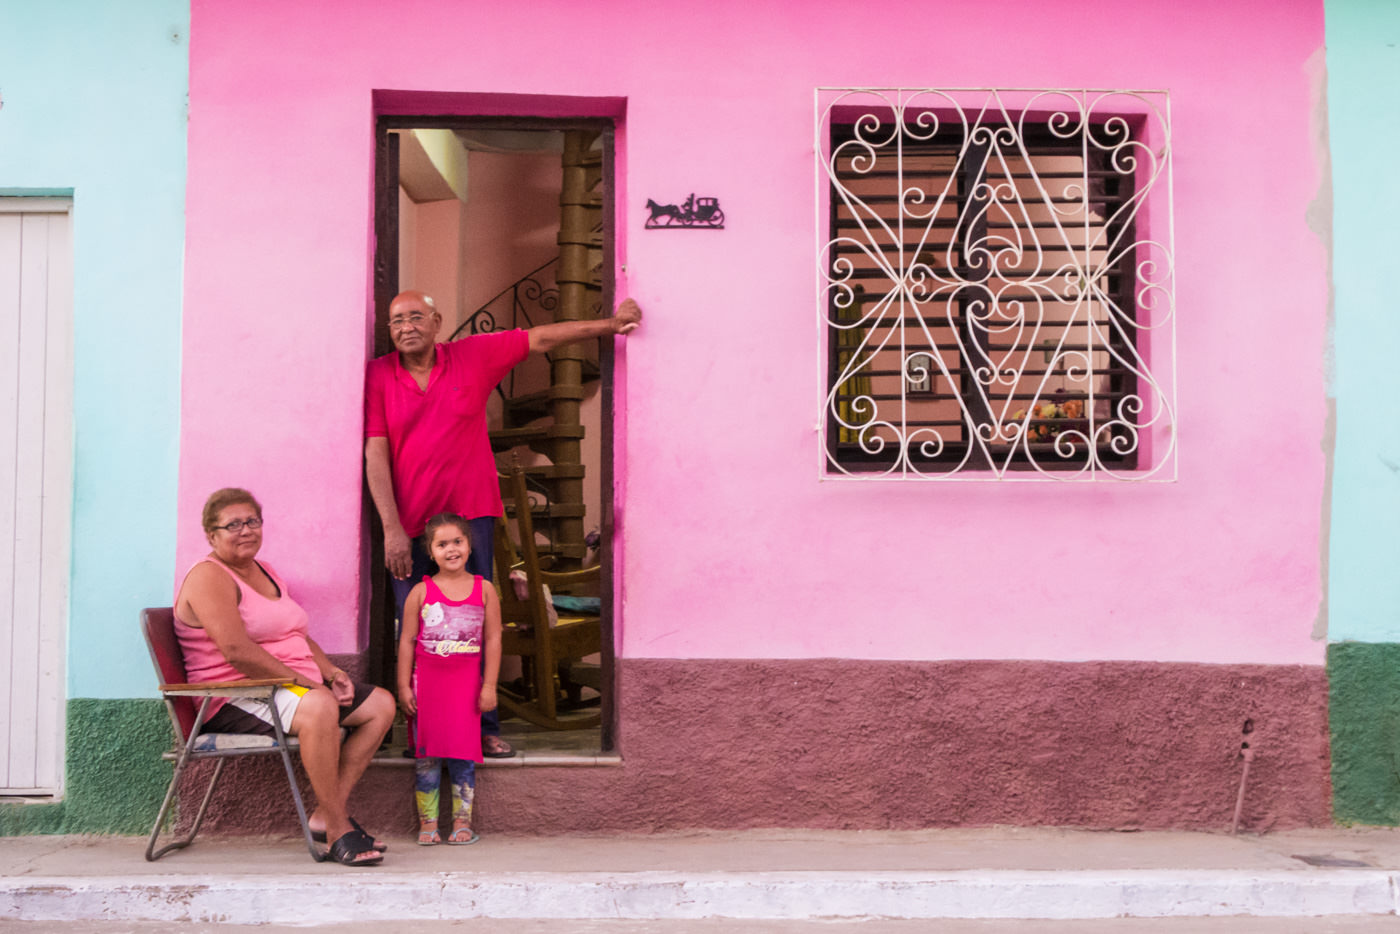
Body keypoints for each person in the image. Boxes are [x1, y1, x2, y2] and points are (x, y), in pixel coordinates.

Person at [364, 289, 641, 756]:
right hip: (409, 525)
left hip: (471, 518)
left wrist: (611, 325)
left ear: (436, 321)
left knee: (472, 622)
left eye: (416, 317)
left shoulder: (472, 355)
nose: (406, 327)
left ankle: (483, 726)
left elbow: (542, 337)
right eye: (396, 321)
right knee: (419, 630)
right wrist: (390, 527)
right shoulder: (378, 375)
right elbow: (376, 451)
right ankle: (424, 734)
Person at [174, 488, 396, 867]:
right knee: (320, 706)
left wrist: (331, 672)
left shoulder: (265, 570)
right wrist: (304, 682)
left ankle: (327, 814)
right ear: (211, 535)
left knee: (380, 705)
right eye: (232, 525)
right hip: (236, 693)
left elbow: (297, 634)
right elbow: (237, 651)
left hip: (287, 687)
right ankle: (341, 830)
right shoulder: (209, 576)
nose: (245, 530)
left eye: (252, 521)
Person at [396, 512, 501, 845]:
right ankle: (428, 823)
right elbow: (407, 641)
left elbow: (494, 639)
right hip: (426, 685)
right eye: (442, 544)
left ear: (470, 546)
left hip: (466, 687)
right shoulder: (419, 593)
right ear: (430, 551)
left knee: (462, 753)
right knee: (426, 757)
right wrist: (402, 686)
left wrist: (489, 686)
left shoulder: (484, 590)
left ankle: (461, 821)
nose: (451, 549)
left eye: (458, 541)